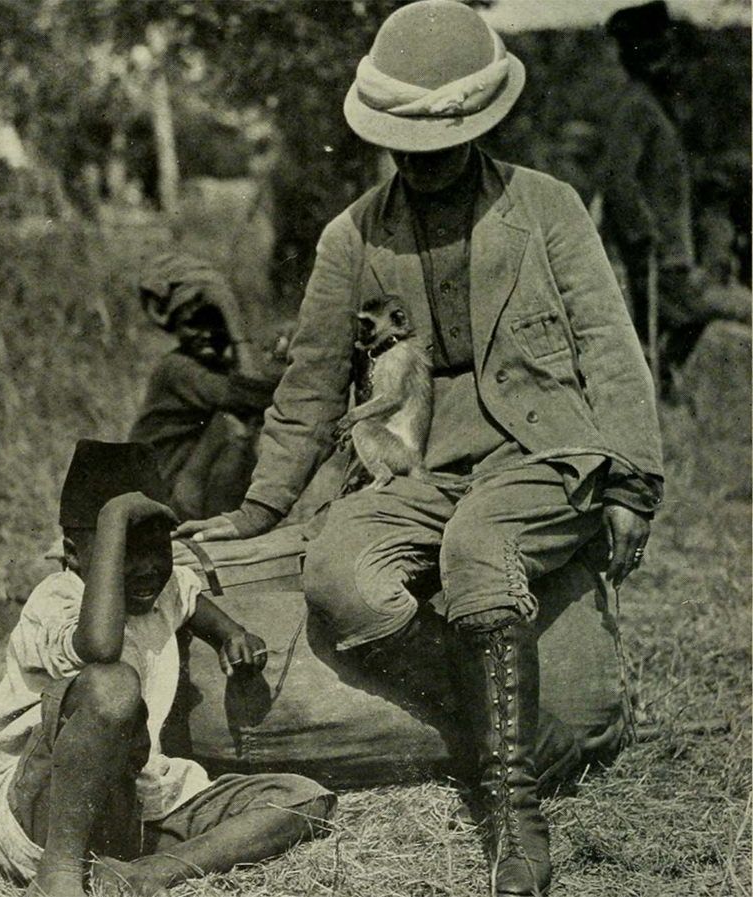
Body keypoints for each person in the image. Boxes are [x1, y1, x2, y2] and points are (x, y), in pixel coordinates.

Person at [176, 3, 663, 895]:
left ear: (480, 131)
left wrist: (632, 482)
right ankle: (504, 730)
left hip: (542, 457)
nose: (419, 161)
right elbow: (309, 387)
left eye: (437, 144)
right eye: (402, 143)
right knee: (337, 572)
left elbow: (609, 347)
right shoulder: (352, 236)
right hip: (419, 473)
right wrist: (257, 508)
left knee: (481, 543)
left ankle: (510, 806)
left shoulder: (545, 209)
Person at [0, 440, 334, 897]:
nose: (146, 568)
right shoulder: (56, 598)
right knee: (112, 684)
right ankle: (57, 876)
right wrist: (115, 515)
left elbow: (190, 599)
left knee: (301, 799)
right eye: (122, 552)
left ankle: (147, 873)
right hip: (38, 807)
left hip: (130, 803)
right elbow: (100, 648)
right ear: (75, 555)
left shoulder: (166, 587)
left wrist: (230, 633)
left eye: (157, 548)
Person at [129, 252, 286, 520]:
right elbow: (251, 394)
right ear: (175, 326)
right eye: (193, 324)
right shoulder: (177, 369)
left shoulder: (219, 368)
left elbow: (263, 388)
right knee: (234, 423)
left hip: (182, 489)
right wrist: (235, 326)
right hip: (158, 497)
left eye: (217, 323)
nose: (208, 334)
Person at [602, 1, 699, 379]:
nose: (673, 65)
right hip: (655, 254)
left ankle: (667, 389)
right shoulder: (636, 108)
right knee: (684, 319)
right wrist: (644, 236)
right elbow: (619, 180)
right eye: (662, 53)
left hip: (670, 252)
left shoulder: (654, 107)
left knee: (671, 329)